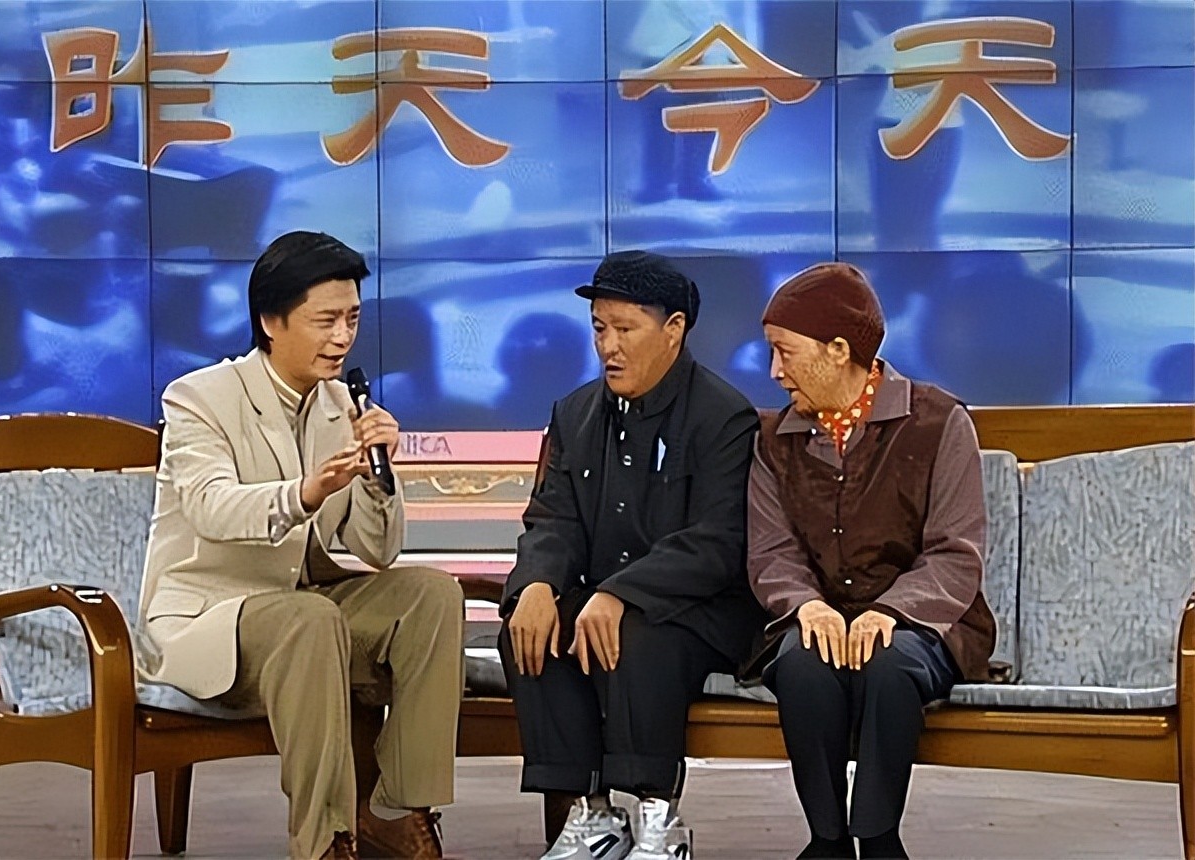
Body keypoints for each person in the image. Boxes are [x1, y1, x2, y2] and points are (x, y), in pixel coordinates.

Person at [139, 231, 464, 860]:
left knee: (431, 595)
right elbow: (211, 507)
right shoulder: (198, 397)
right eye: (325, 321)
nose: (342, 337)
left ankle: (395, 810)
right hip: (212, 618)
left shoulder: (341, 403)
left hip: (305, 610)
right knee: (309, 616)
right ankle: (325, 840)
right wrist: (304, 493)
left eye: (353, 319)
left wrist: (378, 478)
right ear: (270, 320)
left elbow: (377, 552)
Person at [501, 250, 765, 859]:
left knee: (633, 633)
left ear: (674, 329)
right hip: (603, 602)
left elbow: (717, 543)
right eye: (599, 328)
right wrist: (537, 584)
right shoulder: (575, 413)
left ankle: (657, 818)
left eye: (625, 329)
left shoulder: (724, 417)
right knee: (532, 624)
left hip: (701, 611)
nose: (608, 347)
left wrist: (620, 593)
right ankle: (591, 814)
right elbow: (553, 519)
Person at [746, 262, 996, 859]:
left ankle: (879, 839)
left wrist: (892, 611)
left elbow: (955, 551)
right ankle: (827, 841)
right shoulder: (773, 440)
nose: (774, 371)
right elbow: (772, 550)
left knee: (889, 664)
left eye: (785, 352)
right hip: (818, 618)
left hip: (924, 624)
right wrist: (806, 606)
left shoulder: (939, 422)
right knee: (802, 664)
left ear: (839, 350)